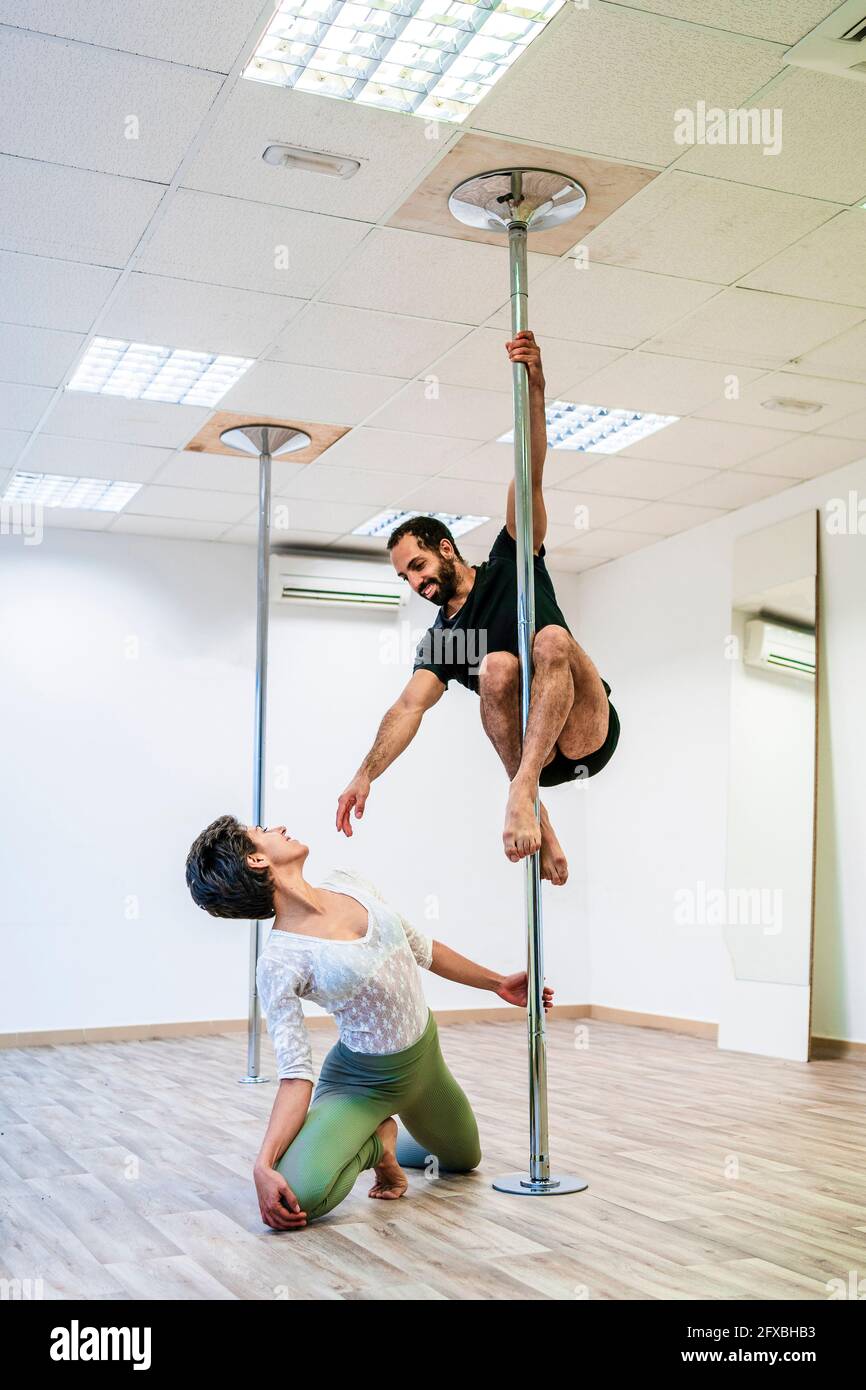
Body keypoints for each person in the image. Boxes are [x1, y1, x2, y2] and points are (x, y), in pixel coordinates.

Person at [336, 329, 620, 887]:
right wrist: (365, 774)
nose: (414, 583)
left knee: (550, 641)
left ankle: (524, 795)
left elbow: (529, 469)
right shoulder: (442, 642)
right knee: (497, 665)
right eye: (403, 577)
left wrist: (535, 389)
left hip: (587, 736)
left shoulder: (512, 560)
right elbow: (406, 710)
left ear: (445, 549)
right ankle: (528, 792)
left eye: (416, 566)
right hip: (529, 751)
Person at [184, 815, 553, 1230]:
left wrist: (498, 983)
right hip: (361, 1085)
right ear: (254, 860)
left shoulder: (350, 882)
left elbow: (423, 949)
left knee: (462, 1160)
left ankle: (377, 1136)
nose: (280, 827)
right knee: (296, 1197)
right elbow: (295, 1073)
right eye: (263, 831)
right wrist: (263, 1163)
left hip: (425, 1066)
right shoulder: (279, 961)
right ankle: (377, 1142)